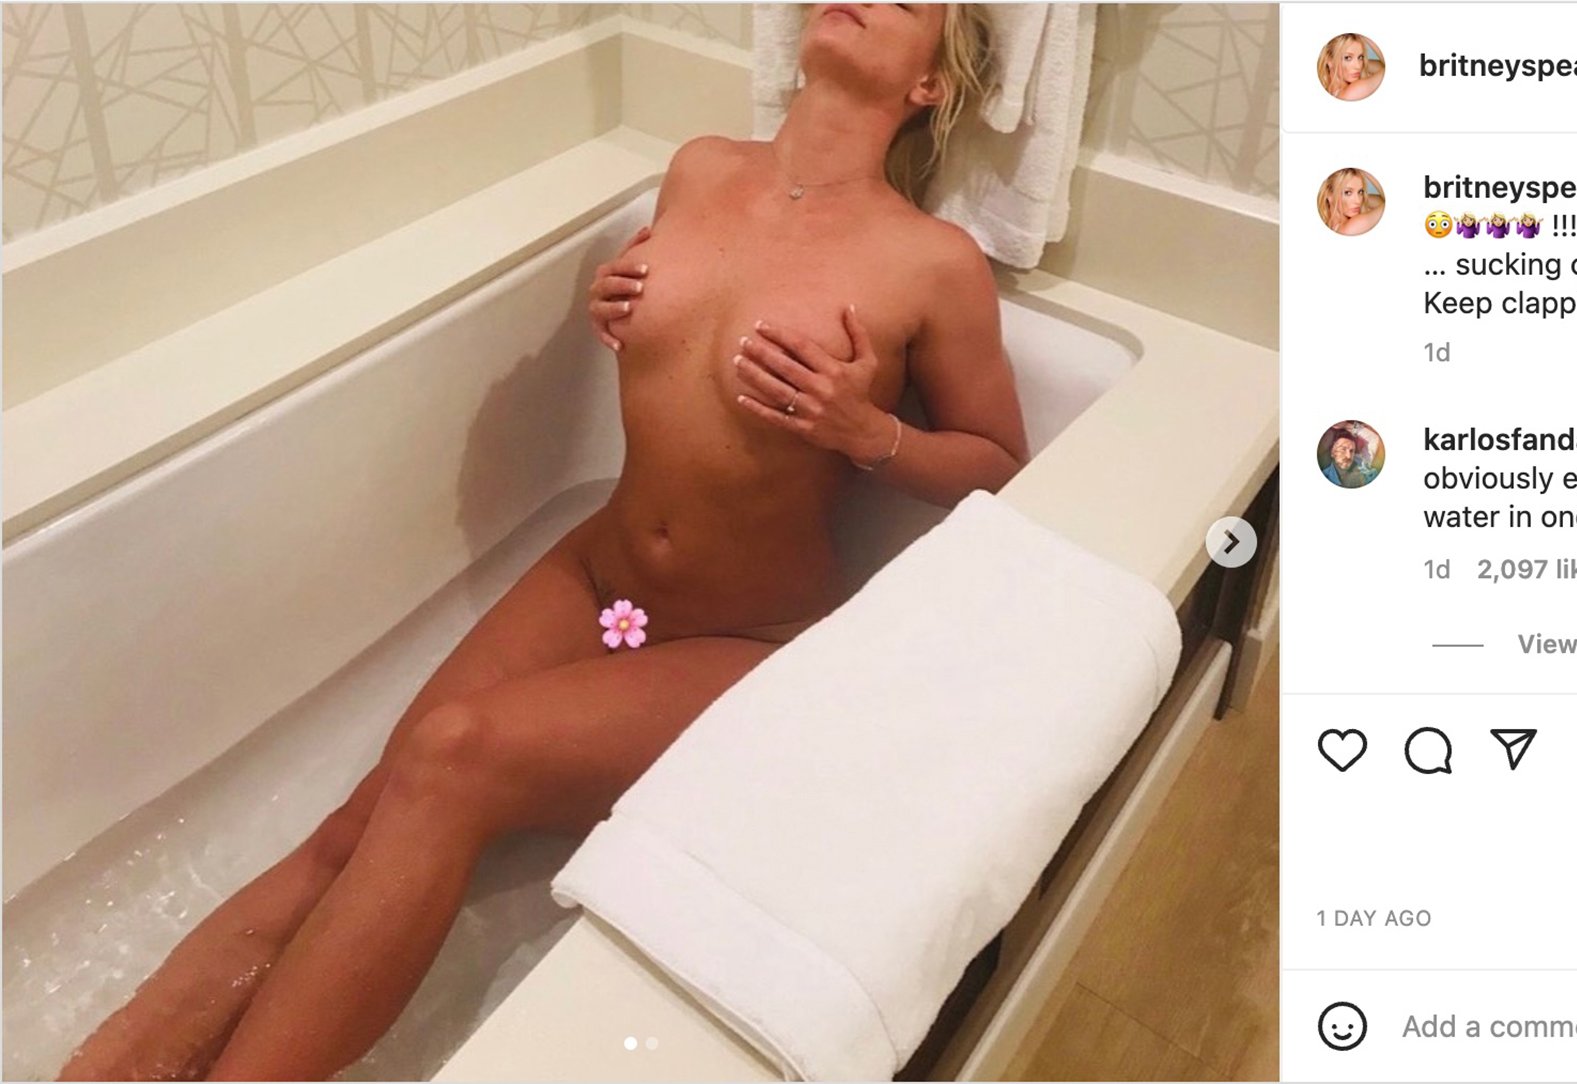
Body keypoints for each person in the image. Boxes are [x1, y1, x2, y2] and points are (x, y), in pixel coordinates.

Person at [59, 5, 1025, 1080]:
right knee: (359, 819)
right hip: (606, 583)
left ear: (930, 85)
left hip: (743, 636)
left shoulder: (930, 262)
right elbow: (685, 359)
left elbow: (1000, 463)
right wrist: (623, 311)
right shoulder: (701, 169)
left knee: (453, 758)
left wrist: (868, 431)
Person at [1320, 167, 1385, 236]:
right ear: (1329, 194)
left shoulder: (1331, 225)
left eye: (1360, 192)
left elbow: (1379, 200)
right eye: (1348, 192)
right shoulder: (1350, 229)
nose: (1358, 201)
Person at [1319, 33, 1384, 101]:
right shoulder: (1351, 94)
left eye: (1360, 57)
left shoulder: (1332, 91)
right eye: (1348, 58)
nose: (1358, 66)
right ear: (1329, 60)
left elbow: (1379, 66)